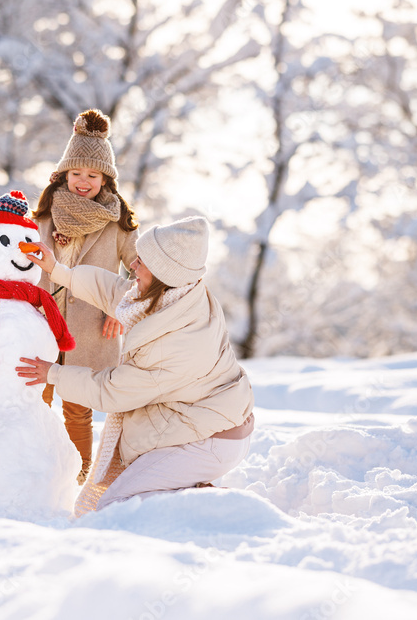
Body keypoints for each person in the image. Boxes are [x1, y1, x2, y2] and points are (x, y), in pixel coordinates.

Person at [16, 217, 254, 515]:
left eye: (140, 262)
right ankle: (187, 493)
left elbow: (113, 390)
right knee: (123, 501)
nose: (132, 267)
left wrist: (53, 373)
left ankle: (221, 512)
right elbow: (115, 292)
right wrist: (58, 271)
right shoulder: (177, 296)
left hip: (208, 441)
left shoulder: (177, 341)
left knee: (117, 507)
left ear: (164, 272)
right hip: (204, 421)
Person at [31, 108, 139, 484]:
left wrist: (121, 309)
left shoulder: (118, 221)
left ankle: (78, 480)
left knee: (78, 408)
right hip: (40, 323)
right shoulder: (42, 216)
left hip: (91, 327)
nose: (83, 181)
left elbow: (141, 272)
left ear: (105, 178)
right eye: (76, 172)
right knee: (35, 402)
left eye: (92, 175)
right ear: (63, 173)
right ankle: (37, 474)